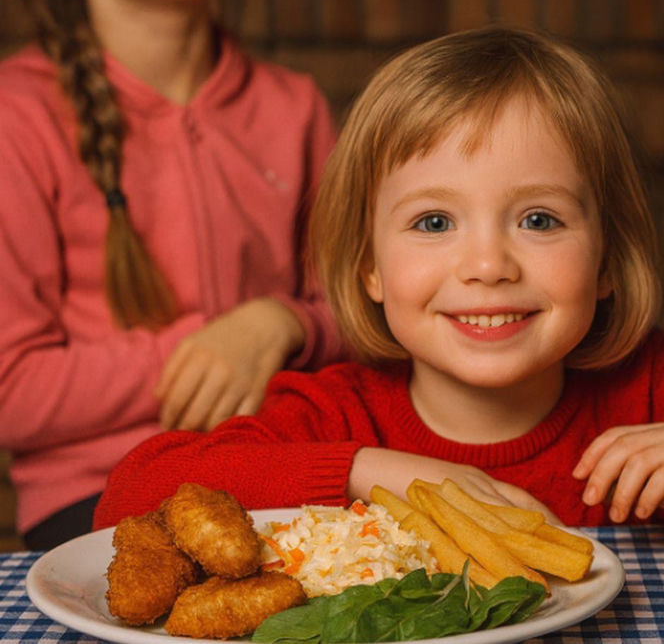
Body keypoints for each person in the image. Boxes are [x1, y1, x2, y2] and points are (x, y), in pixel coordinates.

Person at [93, 27, 663, 531]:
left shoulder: (648, 391)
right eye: (433, 222)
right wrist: (367, 470)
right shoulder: (333, 416)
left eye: (539, 220)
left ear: (608, 259)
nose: (488, 267)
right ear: (370, 267)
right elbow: (127, 495)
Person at [0, 0, 344, 550]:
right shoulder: (19, 117)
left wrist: (280, 324)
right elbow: (11, 382)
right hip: (97, 495)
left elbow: (365, 314)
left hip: (278, 473)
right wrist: (203, 348)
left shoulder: (295, 107)